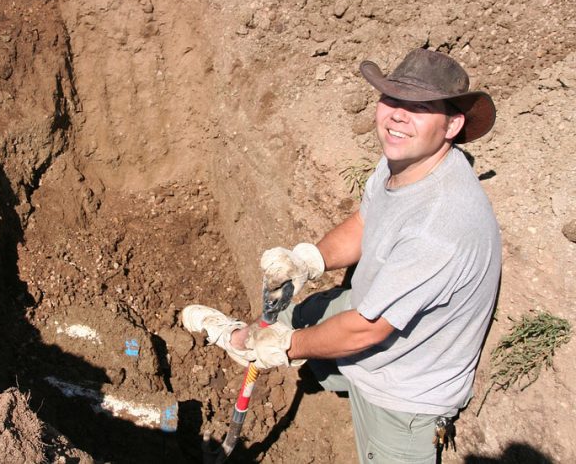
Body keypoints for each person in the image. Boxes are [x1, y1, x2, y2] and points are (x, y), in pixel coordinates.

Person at [182, 48, 501, 463]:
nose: (399, 115)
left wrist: (289, 347)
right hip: (374, 313)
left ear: (453, 124)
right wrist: (308, 260)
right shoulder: (404, 163)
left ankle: (264, 345)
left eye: (419, 107)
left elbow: (366, 330)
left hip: (403, 391)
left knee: (296, 336)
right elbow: (367, 222)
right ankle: (243, 339)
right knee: (301, 316)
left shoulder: (439, 226)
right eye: (393, 100)